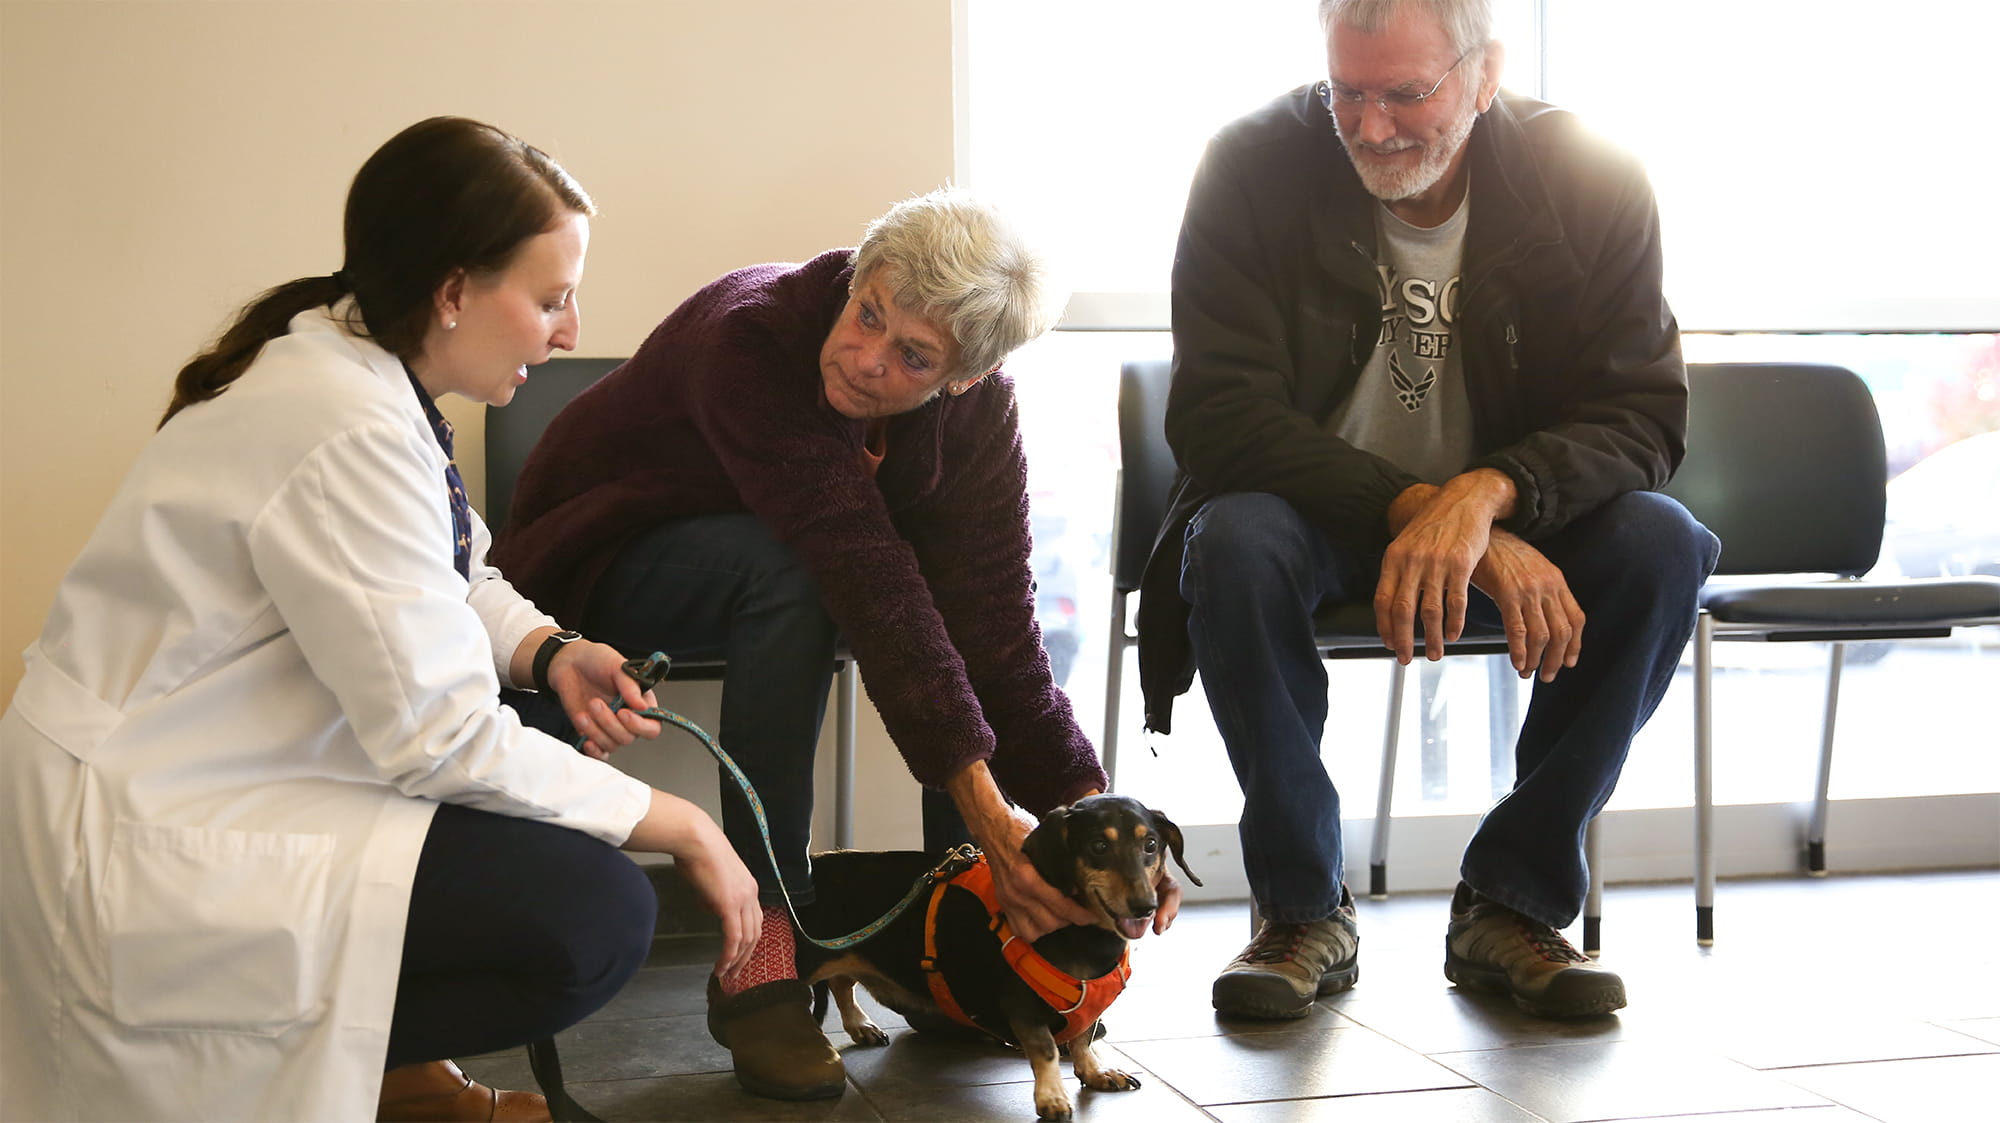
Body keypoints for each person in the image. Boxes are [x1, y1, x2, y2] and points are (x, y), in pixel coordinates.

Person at [0, 117, 761, 1123]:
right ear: (453, 292)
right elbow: (437, 736)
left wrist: (551, 650)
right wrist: (684, 823)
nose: (568, 331)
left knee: (537, 731)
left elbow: (452, 567)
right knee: (596, 917)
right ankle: (374, 1074)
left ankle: (396, 1075)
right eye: (549, 298)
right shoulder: (344, 420)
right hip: (149, 824)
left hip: (216, 767)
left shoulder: (358, 373)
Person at [493, 187, 1180, 1100]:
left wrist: (1091, 815)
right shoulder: (750, 338)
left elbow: (1002, 639)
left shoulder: (978, 418)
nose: (864, 357)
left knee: (937, 631)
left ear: (964, 377)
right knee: (810, 573)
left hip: (772, 571)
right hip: (591, 569)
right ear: (860, 275)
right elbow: (864, 575)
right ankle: (763, 956)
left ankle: (957, 944)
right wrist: (991, 816)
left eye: (913, 355)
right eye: (868, 314)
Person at [1136, 0, 1720, 1022]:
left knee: (1662, 544)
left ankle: (1511, 897)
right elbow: (1216, 414)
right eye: (1345, 92)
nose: (1369, 129)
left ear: (1483, 72)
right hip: (1314, 513)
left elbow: (1641, 415)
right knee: (1230, 538)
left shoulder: (1590, 179)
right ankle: (1300, 908)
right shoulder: (1248, 166)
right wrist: (1422, 508)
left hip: (1509, 512)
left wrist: (1490, 500)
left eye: (1405, 94)